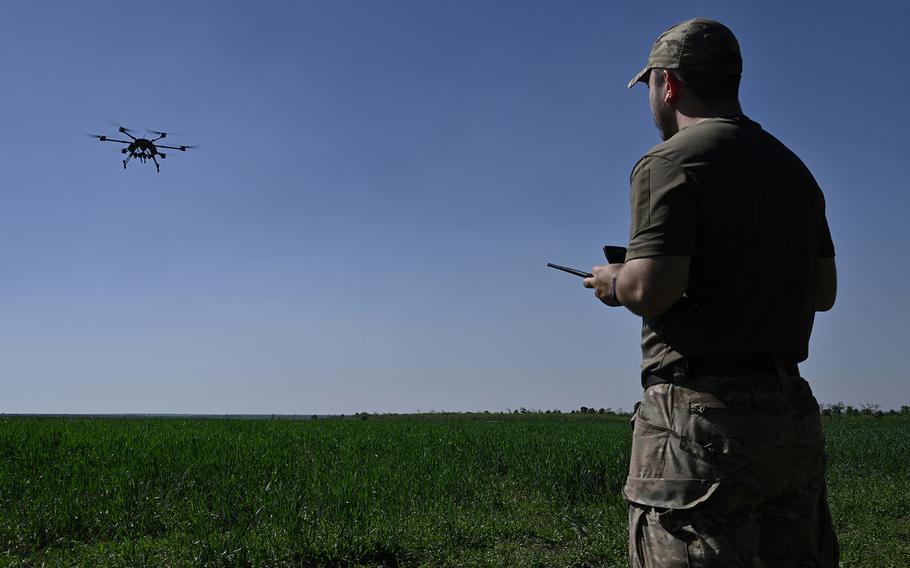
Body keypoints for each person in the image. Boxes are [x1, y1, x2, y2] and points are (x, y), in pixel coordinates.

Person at [582, 18, 839, 567]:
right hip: (790, 415)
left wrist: (612, 282)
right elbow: (823, 292)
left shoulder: (668, 162)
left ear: (668, 84)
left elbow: (652, 288)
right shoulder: (794, 170)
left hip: (700, 421)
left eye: (650, 86)